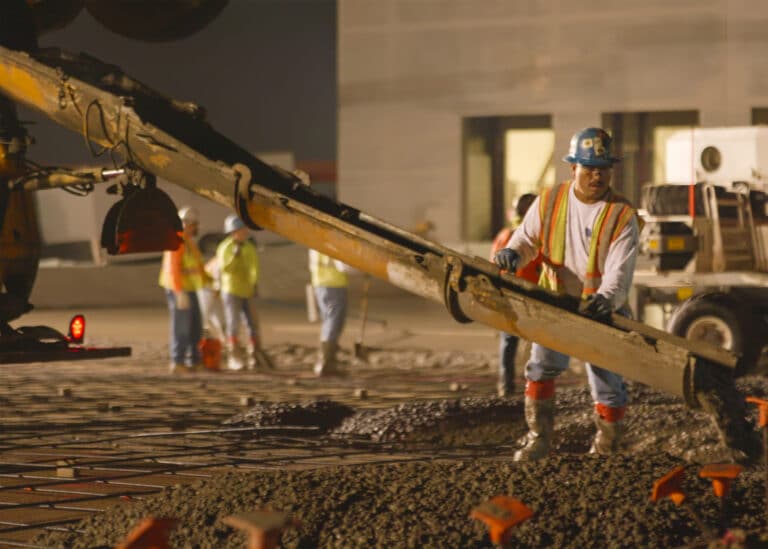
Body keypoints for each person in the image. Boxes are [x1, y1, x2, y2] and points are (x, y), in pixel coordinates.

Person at [494, 127, 639, 460]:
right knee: (540, 368)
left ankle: (608, 446)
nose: (596, 175)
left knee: (607, 382)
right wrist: (513, 254)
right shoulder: (550, 201)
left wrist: (605, 299)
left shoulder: (622, 215)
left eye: (603, 168)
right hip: (556, 304)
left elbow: (620, 272)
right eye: (589, 168)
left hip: (600, 310)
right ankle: (538, 437)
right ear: (573, 168)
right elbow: (526, 239)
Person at [489, 192, 540, 397]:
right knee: (535, 343)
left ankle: (506, 385)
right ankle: (533, 386)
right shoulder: (534, 236)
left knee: (510, 341)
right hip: (532, 296)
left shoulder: (505, 235)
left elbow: (493, 264)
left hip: (512, 295)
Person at [216, 214, 273, 371]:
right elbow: (225, 269)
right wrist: (234, 257)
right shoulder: (225, 248)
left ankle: (254, 356)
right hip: (231, 291)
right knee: (233, 324)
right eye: (241, 229)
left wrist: (254, 284)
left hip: (246, 291)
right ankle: (235, 357)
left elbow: (254, 267)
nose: (245, 232)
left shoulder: (249, 247)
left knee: (252, 324)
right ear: (233, 231)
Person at [159, 206, 208, 373]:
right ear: (185, 223)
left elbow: (197, 267)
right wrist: (179, 292)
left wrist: (210, 282)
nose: (195, 227)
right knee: (182, 326)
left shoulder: (188, 241)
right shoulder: (176, 241)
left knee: (195, 325)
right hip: (177, 289)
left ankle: (194, 360)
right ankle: (177, 362)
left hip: (190, 288)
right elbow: (173, 268)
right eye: (192, 224)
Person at [309, 249, 352, 376]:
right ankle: (326, 362)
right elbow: (344, 267)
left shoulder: (315, 242)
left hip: (319, 283)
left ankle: (325, 360)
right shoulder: (332, 242)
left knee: (328, 320)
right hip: (334, 283)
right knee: (334, 321)